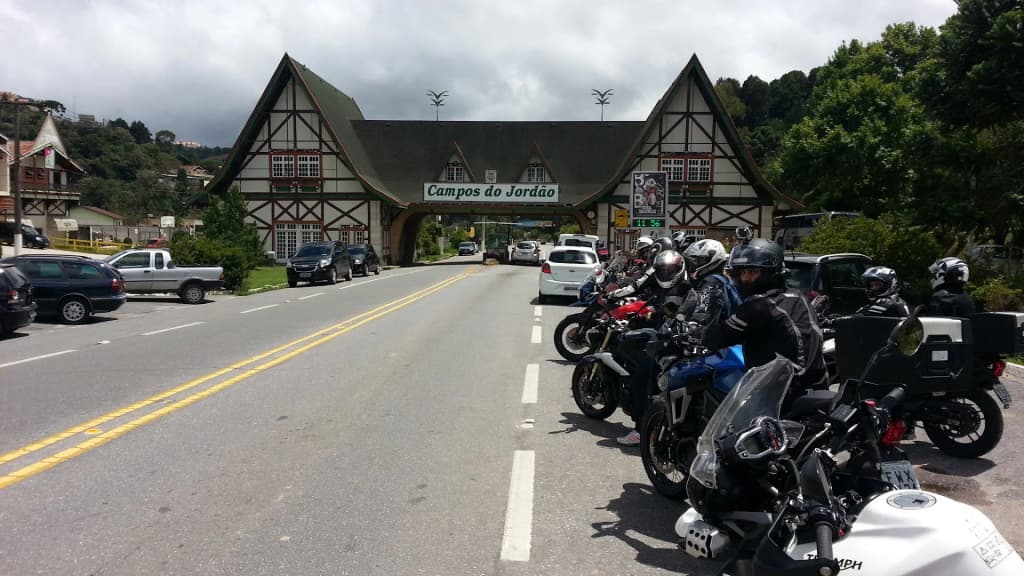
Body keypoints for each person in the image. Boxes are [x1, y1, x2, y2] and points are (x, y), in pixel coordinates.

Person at [700, 237, 829, 391]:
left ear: (771, 272)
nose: (746, 279)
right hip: (816, 389)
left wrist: (695, 333)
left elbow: (716, 337)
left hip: (779, 397)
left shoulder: (758, 307)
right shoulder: (799, 297)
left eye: (753, 272)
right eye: (742, 272)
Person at [616, 247, 691, 446]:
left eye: (670, 271)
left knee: (642, 380)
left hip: (673, 345)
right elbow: (658, 311)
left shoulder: (683, 289)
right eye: (663, 271)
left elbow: (674, 319)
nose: (666, 274)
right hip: (671, 340)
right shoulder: (677, 286)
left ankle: (640, 430)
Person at [679, 239, 740, 337]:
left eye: (699, 260)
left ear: (713, 260)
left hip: (718, 340)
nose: (694, 264)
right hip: (725, 335)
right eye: (693, 261)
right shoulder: (721, 279)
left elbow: (702, 313)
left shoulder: (711, 282)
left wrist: (692, 326)